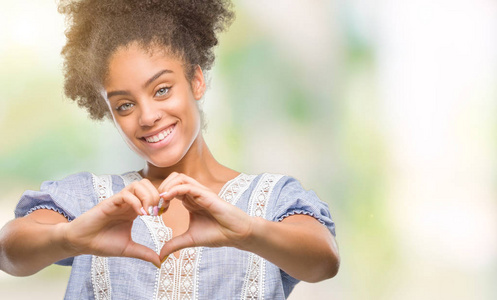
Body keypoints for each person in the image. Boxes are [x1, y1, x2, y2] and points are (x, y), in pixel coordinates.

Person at [0, 0, 340, 299]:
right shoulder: (96, 201)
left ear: (196, 80)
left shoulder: (269, 200)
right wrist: (70, 238)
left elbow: (324, 261)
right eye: (124, 105)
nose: (147, 116)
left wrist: (247, 231)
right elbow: (9, 253)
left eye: (162, 90)